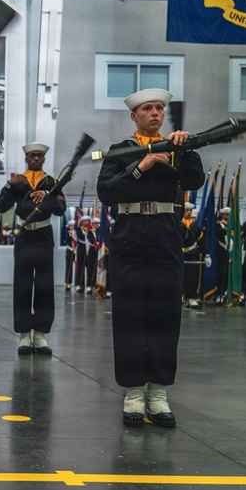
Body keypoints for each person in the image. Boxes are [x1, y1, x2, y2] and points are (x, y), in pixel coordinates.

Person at [96, 88, 204, 428]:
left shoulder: (177, 148)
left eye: (160, 108)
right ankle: (133, 391)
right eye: (148, 108)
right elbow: (107, 192)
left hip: (165, 236)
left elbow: (195, 180)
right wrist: (140, 167)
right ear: (134, 116)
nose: (155, 113)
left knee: (164, 314)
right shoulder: (120, 151)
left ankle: (158, 392)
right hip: (129, 238)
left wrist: (184, 150)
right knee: (129, 316)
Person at [0, 143, 66, 355]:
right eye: (32, 155)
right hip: (24, 236)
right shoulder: (18, 182)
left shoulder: (52, 183)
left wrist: (48, 195)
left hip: (44, 236)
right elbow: (1, 207)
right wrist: (8, 185)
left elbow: (61, 210)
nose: (36, 159)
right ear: (26, 158)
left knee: (45, 286)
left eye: (40, 156)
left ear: (44, 159)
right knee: (23, 285)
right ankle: (24, 334)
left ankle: (41, 334)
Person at [179, 201, 203, 308]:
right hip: (179, 254)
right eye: (186, 210)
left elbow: (201, 241)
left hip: (192, 254)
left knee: (192, 277)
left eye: (190, 211)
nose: (189, 212)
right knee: (179, 277)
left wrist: (206, 254)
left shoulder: (196, 227)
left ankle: (191, 298)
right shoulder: (177, 224)